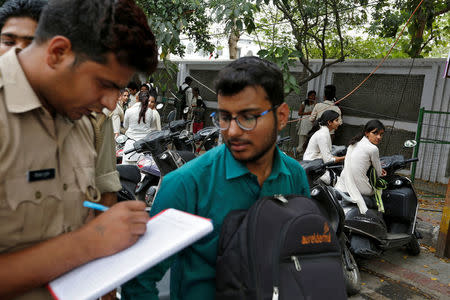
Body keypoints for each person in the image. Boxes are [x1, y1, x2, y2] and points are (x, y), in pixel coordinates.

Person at [0, 0, 158, 299]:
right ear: (58, 52)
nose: (112, 103)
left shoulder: (81, 119)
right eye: (104, 83)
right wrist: (88, 243)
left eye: (120, 89)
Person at [121, 56, 310, 300]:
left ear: (282, 116)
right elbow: (138, 282)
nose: (232, 131)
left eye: (248, 117)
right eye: (224, 117)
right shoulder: (185, 184)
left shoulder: (295, 177)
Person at [335, 120, 386, 214]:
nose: (379, 137)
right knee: (380, 187)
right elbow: (378, 173)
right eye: (375, 133)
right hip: (360, 189)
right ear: (367, 133)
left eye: (381, 134)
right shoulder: (373, 149)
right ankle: (380, 211)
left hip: (342, 184)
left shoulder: (353, 143)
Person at [303, 110, 345, 184]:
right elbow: (328, 160)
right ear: (329, 122)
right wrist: (346, 157)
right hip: (314, 168)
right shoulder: (323, 134)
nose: (339, 123)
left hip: (316, 165)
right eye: (336, 120)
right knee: (341, 183)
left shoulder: (324, 132)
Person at [122, 90, 161, 165]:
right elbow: (151, 126)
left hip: (130, 145)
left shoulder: (129, 111)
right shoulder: (151, 112)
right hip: (145, 146)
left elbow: (125, 126)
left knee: (127, 172)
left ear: (137, 98)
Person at [296, 90, 316, 155]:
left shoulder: (315, 104)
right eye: (311, 95)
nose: (313, 97)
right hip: (304, 121)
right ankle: (298, 151)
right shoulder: (304, 103)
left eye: (314, 95)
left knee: (309, 137)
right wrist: (309, 113)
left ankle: (305, 153)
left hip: (311, 122)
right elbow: (299, 113)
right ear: (308, 96)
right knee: (302, 137)